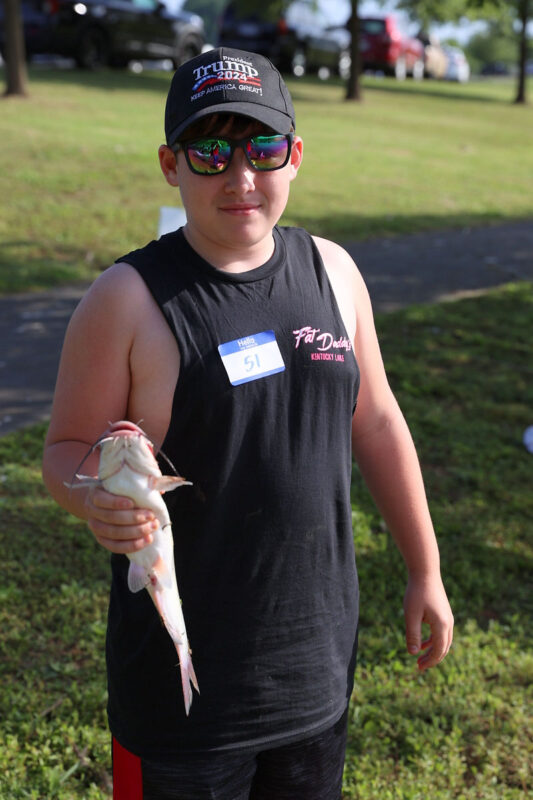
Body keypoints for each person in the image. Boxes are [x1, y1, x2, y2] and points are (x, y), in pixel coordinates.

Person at [42, 47, 453, 800]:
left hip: (314, 668)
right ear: (170, 164)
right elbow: (66, 447)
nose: (240, 177)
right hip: (181, 697)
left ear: (294, 156)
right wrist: (89, 494)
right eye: (209, 151)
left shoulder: (332, 271)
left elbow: (379, 423)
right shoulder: (127, 300)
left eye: (262, 148)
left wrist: (423, 570)